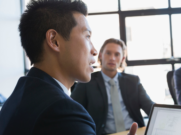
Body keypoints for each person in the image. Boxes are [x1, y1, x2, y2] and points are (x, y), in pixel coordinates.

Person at [0, 0, 139, 134]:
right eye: (87, 36)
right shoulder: (63, 112)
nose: (95, 51)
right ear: (54, 41)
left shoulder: (18, 97)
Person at [71, 38, 155, 135]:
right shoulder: (86, 82)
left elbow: (150, 107)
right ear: (101, 55)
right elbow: (73, 112)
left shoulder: (133, 81)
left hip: (135, 132)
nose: (112, 58)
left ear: (122, 58)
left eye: (117, 54)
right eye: (108, 53)